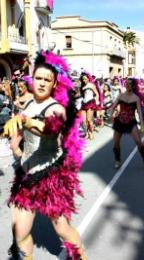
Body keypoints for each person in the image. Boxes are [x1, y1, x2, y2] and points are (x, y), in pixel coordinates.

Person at [4, 50, 87, 259]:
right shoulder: (29, 103)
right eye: (38, 78)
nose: (41, 83)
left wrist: (27, 122)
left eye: (46, 80)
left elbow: (50, 129)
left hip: (51, 177)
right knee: (20, 233)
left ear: (54, 84)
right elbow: (21, 135)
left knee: (62, 229)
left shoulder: (56, 108)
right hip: (26, 176)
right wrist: (15, 147)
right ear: (32, 80)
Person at [111, 78, 144, 170]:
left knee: (138, 142)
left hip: (131, 122)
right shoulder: (120, 96)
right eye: (126, 83)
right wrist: (111, 115)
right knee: (116, 143)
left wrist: (142, 126)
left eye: (129, 84)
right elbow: (113, 106)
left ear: (133, 86)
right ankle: (117, 160)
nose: (127, 85)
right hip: (119, 121)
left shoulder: (136, 98)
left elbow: (139, 112)